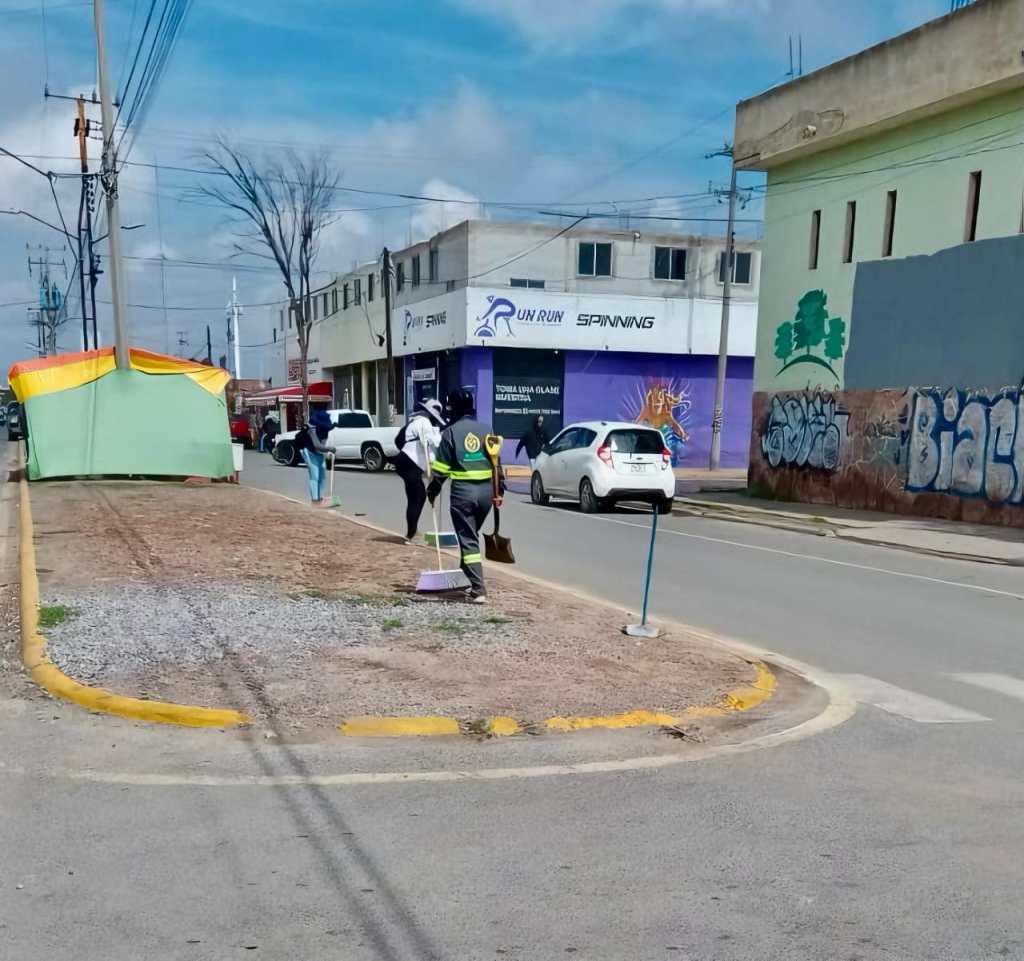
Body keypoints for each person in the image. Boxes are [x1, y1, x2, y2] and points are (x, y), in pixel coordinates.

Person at [427, 388, 503, 604]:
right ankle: (465, 576)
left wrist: (433, 490)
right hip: (487, 493)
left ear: (454, 410)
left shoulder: (450, 432)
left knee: (468, 539)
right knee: (469, 535)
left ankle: (479, 589)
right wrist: (500, 490)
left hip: (463, 493)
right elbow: (497, 463)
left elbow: (441, 468)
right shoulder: (487, 429)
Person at [394, 398, 446, 544]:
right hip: (409, 463)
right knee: (419, 497)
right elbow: (429, 442)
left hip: (407, 463)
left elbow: (428, 450)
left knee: (415, 497)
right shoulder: (424, 422)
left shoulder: (418, 421)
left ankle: (412, 531)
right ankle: (411, 535)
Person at [296, 409, 336, 506]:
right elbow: (317, 445)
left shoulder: (325, 429)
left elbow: (322, 444)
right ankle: (315, 500)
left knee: (322, 476)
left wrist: (326, 452)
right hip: (309, 452)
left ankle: (319, 498)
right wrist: (329, 449)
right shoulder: (312, 430)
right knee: (315, 476)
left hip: (318, 453)